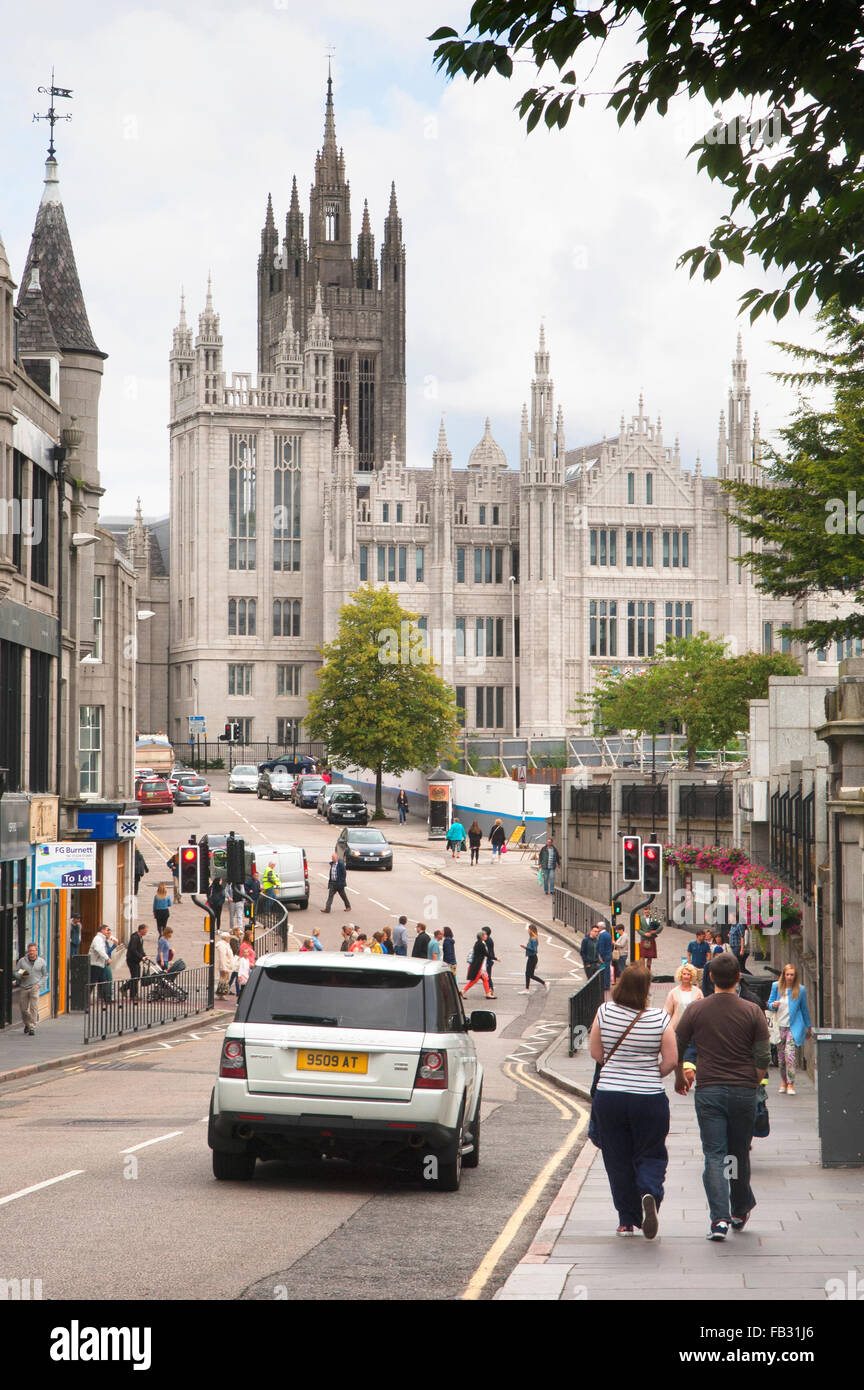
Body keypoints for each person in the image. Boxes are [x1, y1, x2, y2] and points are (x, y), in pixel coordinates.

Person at [674, 952, 770, 1240]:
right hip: (743, 1091)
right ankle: (740, 1209)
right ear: (738, 977)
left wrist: (680, 1076)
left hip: (709, 1090)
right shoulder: (753, 1011)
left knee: (714, 1154)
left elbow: (677, 1047)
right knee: (738, 1151)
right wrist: (752, 1082)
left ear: (710, 978)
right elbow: (764, 1055)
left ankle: (719, 1220)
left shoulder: (695, 1010)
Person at [589, 963, 677, 1237]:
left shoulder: (604, 1012)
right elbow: (671, 1060)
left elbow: (596, 1053)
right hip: (648, 1098)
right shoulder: (659, 1018)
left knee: (617, 1158)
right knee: (651, 1152)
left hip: (610, 1097)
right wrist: (650, 1073)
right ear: (646, 989)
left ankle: (627, 1221)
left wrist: (619, 1068)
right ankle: (649, 1191)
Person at [768, 964, 813, 1096]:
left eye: (792, 975)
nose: (789, 977)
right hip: (779, 1025)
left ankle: (791, 1083)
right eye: (787, 974)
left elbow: (804, 1009)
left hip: (794, 1026)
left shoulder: (800, 990)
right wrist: (773, 1005)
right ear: (784, 975)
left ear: (795, 976)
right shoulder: (776, 986)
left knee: (790, 1055)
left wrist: (808, 1027)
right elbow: (769, 1003)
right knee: (781, 1057)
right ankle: (783, 1081)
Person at [14, 943, 47, 1035]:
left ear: (36, 951)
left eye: (33, 951)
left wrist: (38, 985)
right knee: (23, 1009)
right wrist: (22, 974)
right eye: (30, 951)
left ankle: (32, 1027)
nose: (31, 952)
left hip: (34, 987)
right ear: (28, 951)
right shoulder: (22, 961)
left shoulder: (41, 962)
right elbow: (16, 972)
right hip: (24, 987)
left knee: (33, 1008)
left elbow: (45, 975)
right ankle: (27, 1023)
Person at [518, 923, 549, 994]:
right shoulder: (531, 938)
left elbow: (535, 950)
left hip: (533, 958)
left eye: (528, 929)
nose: (527, 930)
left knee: (530, 975)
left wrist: (525, 947)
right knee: (527, 973)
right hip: (531, 958)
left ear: (531, 930)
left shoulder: (533, 939)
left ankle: (544, 983)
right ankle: (527, 989)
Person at [463, 933, 495, 999]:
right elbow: (486, 954)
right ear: (482, 937)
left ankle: (488, 993)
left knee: (485, 979)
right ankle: (463, 991)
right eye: (485, 935)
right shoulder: (481, 944)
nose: (486, 936)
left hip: (481, 965)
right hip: (479, 966)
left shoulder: (479, 943)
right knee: (474, 980)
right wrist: (495, 958)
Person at [88, 924, 115, 1000]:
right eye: (107, 930)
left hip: (100, 963)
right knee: (92, 982)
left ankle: (106, 998)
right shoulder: (98, 939)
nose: (108, 932)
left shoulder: (102, 939)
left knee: (103, 980)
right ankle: (85, 998)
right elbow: (99, 949)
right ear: (102, 930)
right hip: (95, 964)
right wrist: (107, 958)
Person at [126, 924, 149, 1003]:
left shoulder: (140, 938)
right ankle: (131, 994)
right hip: (132, 960)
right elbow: (133, 950)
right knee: (135, 977)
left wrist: (144, 955)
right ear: (141, 930)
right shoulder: (135, 937)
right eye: (145, 930)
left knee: (136, 977)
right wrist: (141, 957)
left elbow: (140, 949)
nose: (146, 932)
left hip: (136, 960)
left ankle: (131, 992)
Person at [596, 920, 614, 998]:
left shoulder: (602, 935)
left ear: (600, 927)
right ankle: (607, 985)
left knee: (604, 970)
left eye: (597, 927)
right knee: (607, 970)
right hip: (609, 954)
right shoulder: (608, 934)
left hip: (604, 956)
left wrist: (600, 956)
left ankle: (605, 985)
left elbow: (601, 946)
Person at [215, 932, 233, 997]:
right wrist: (224, 967)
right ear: (226, 938)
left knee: (225, 980)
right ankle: (221, 994)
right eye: (229, 937)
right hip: (224, 965)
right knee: (223, 980)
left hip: (227, 964)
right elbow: (222, 957)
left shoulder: (226, 944)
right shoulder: (222, 945)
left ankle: (222, 993)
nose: (229, 939)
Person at [481, 927, 498, 992]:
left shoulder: (488, 941)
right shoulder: (486, 939)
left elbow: (487, 952)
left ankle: (490, 989)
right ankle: (489, 989)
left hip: (488, 960)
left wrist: (493, 959)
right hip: (488, 960)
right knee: (484, 976)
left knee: (487, 976)